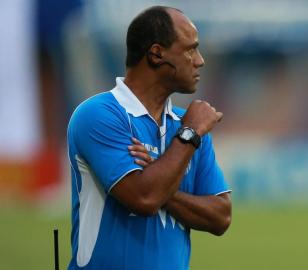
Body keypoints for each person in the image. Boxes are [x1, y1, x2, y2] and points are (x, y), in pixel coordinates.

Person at [67, 6, 232, 270]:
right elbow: (144, 199)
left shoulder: (187, 124)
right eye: (190, 49)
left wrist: (160, 179)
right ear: (156, 54)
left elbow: (221, 216)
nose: (199, 60)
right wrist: (189, 136)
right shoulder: (98, 115)